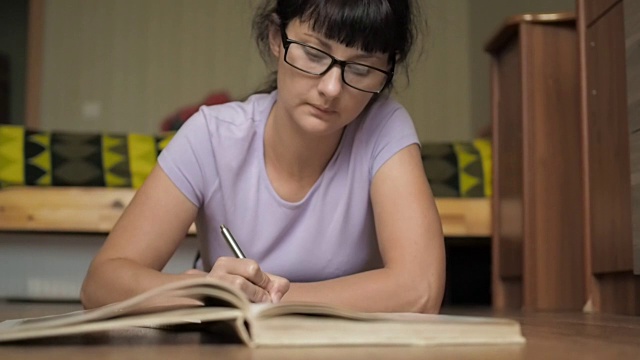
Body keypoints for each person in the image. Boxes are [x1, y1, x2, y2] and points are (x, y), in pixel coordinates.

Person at [81, 0, 445, 314]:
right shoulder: (212, 136)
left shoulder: (384, 126)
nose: (331, 88)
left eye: (362, 69)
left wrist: (266, 300)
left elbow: (421, 290)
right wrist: (205, 294)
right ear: (276, 37)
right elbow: (101, 282)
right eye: (314, 55)